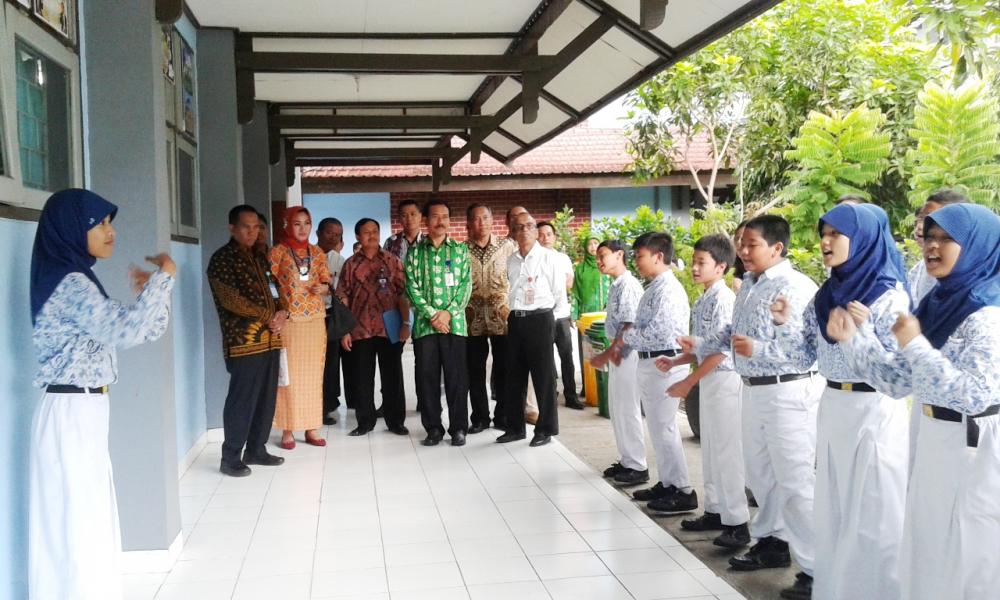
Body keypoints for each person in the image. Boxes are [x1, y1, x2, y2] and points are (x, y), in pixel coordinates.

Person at [828, 203, 999, 600]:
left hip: (972, 447)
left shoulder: (988, 312)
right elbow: (896, 380)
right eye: (930, 237)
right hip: (934, 439)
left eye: (946, 239)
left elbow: (974, 394)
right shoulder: (939, 303)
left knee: (968, 556)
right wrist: (854, 339)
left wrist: (916, 345)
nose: (932, 247)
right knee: (927, 547)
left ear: (976, 245)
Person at [28, 189, 177, 600]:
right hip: (70, 410)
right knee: (74, 524)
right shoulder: (69, 281)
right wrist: (165, 276)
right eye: (100, 223)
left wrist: (155, 291)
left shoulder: (72, 275)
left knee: (85, 520)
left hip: (83, 408)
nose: (110, 232)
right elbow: (127, 330)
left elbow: (143, 328)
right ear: (73, 229)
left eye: (110, 223)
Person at [770, 204, 910, 600]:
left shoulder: (889, 299)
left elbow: (896, 380)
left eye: (836, 234)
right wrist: (782, 325)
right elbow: (803, 358)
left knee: (876, 518)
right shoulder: (827, 294)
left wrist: (858, 336)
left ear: (863, 239)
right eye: (823, 233)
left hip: (874, 413)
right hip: (833, 407)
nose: (825, 242)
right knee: (833, 515)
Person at [679, 214, 822, 584]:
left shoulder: (795, 287)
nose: (742, 250)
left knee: (794, 480)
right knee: (760, 474)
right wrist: (699, 343)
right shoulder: (750, 285)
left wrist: (757, 347)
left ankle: (815, 568)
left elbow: (805, 350)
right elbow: (731, 332)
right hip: (754, 388)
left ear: (777, 247)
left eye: (751, 244)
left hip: (787, 389)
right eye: (741, 242)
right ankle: (771, 542)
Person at [660, 234, 750, 549]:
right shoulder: (703, 298)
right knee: (710, 449)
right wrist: (677, 359)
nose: (695, 268)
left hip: (724, 379)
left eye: (702, 263)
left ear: (721, 266)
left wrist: (688, 380)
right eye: (694, 261)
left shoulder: (724, 299)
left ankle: (738, 522)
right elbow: (704, 345)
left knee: (727, 453)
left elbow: (721, 351)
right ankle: (715, 510)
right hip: (709, 379)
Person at [603, 232, 694, 513]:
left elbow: (660, 333)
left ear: (658, 256)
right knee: (657, 428)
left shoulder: (667, 289)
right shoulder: (655, 286)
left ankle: (683, 489)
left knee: (665, 428)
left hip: (663, 363)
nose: (637, 261)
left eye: (641, 256)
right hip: (652, 363)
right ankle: (668, 483)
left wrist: (630, 337)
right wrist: (633, 335)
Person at [208, 205, 287, 477]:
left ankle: (256, 449)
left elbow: (277, 289)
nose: (252, 232)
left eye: (256, 227)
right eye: (246, 227)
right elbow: (231, 300)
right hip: (244, 343)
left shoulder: (260, 258)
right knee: (242, 400)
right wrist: (268, 314)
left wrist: (283, 311)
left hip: (271, 340)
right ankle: (230, 457)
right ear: (232, 228)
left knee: (266, 399)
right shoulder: (222, 260)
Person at [904, 190, 968, 475]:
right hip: (926, 392)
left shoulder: (982, 290)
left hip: (967, 415)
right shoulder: (919, 272)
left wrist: (914, 344)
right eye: (921, 219)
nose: (922, 226)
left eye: (933, 222)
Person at [496, 212, 569, 447]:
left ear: (536, 231)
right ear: (514, 232)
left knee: (543, 376)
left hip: (541, 318)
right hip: (516, 319)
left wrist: (551, 322)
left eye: (529, 226)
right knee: (513, 376)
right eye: (519, 227)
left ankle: (545, 429)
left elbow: (560, 295)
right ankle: (515, 428)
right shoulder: (512, 260)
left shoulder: (550, 258)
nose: (525, 230)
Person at [404, 199, 472, 447]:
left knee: (457, 379)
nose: (440, 221)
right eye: (434, 216)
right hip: (425, 327)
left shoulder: (460, 250)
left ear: (450, 221)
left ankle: (458, 429)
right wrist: (433, 315)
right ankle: (433, 428)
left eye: (444, 216)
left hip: (455, 326)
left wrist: (448, 314)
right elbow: (411, 287)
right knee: (428, 379)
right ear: (426, 221)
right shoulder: (414, 252)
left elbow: (466, 286)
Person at [337, 218, 409, 436]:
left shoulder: (392, 261)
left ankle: (395, 421)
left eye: (375, 231)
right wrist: (344, 330)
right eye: (366, 232)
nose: (372, 235)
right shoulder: (350, 264)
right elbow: (342, 296)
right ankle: (365, 421)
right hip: (360, 328)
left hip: (389, 327)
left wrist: (406, 324)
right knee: (362, 377)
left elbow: (403, 294)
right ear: (358, 236)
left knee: (393, 376)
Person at [269, 206, 332, 449]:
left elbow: (327, 281)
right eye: (297, 223)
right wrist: (278, 311)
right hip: (291, 322)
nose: (302, 228)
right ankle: (287, 429)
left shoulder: (317, 252)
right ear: (287, 225)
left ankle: (311, 427)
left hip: (315, 320)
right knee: (288, 376)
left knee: (313, 376)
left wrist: (323, 288)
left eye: (307, 223)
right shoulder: (277, 253)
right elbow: (270, 284)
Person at [589, 240, 646, 485]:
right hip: (618, 350)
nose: (599, 261)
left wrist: (611, 352)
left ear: (619, 255)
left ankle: (637, 465)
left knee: (628, 407)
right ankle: (626, 459)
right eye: (597, 257)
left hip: (627, 352)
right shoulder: (616, 285)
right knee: (618, 407)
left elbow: (629, 324)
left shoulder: (629, 286)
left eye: (604, 255)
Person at [465, 204, 515, 432]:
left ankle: (503, 415)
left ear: (492, 220)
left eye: (485, 218)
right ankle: (480, 418)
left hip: (502, 318)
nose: (481, 223)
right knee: (474, 371)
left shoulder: (508, 247)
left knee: (504, 369)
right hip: (471, 319)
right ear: (468, 223)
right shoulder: (461, 249)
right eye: (476, 219)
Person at [537, 221, 584, 410]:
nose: (545, 238)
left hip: (562, 315)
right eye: (541, 234)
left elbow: (569, 283)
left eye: (549, 234)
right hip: (543, 315)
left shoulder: (563, 258)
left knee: (566, 357)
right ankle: (550, 394)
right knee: (546, 358)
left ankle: (571, 396)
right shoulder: (534, 259)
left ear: (554, 237)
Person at [384, 199, 424, 411]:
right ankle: (390, 403)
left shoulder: (428, 242)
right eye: (404, 215)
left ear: (420, 217)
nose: (408, 219)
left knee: (424, 356)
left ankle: (424, 401)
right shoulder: (391, 243)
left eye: (413, 214)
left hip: (423, 307)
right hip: (396, 305)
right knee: (392, 356)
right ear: (399, 218)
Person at [572, 235, 610, 398]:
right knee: (586, 352)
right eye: (590, 244)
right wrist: (574, 314)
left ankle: (604, 386)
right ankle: (588, 387)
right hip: (586, 317)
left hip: (604, 316)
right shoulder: (580, 269)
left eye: (596, 243)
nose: (593, 247)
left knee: (603, 349)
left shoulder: (605, 266)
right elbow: (575, 293)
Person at [317, 217, 346, 422]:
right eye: (329, 233)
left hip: (331, 317)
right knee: (314, 364)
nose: (333, 237)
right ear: (318, 233)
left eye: (337, 235)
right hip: (311, 318)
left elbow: (343, 290)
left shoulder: (340, 261)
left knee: (330, 365)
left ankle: (326, 405)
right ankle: (313, 405)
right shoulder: (307, 256)